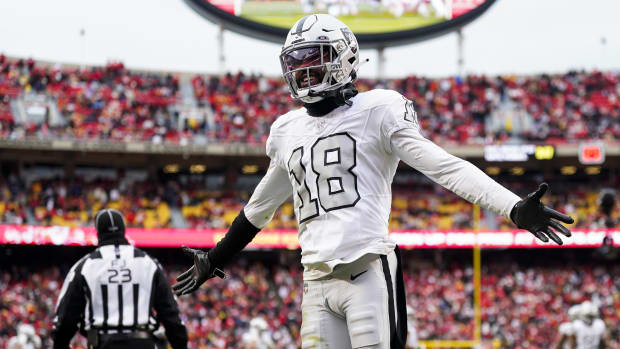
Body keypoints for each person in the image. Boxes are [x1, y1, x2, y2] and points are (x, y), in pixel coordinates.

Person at [172, 14, 574, 349]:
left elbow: (442, 165)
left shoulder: (377, 109)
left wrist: (513, 207)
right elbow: (260, 207)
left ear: (344, 57)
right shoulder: (286, 130)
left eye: (315, 59)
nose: (303, 70)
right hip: (314, 281)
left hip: (366, 271)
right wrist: (216, 257)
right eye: (297, 62)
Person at [52, 209, 188, 349]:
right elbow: (170, 312)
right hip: (142, 342)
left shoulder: (85, 266)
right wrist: (180, 344)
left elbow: (65, 319)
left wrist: (60, 344)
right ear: (124, 230)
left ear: (98, 232)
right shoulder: (148, 263)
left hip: (102, 343)